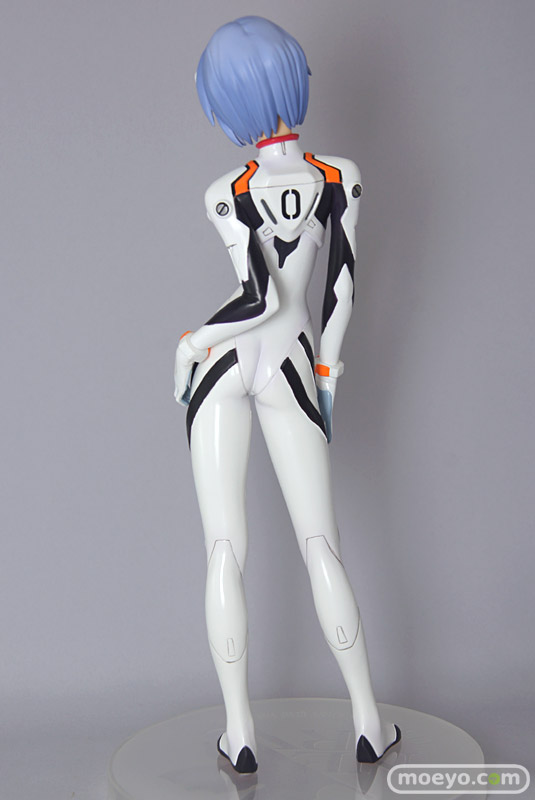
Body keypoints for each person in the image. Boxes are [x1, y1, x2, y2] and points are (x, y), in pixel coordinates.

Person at [174, 16, 400, 774]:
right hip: (291, 365)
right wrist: (326, 378)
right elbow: (338, 290)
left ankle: (239, 735)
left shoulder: (227, 192)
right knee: (320, 545)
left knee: (222, 549)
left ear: (223, 100)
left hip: (225, 363)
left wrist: (193, 343)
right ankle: (368, 722)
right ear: (294, 79)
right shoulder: (339, 176)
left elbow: (253, 297)